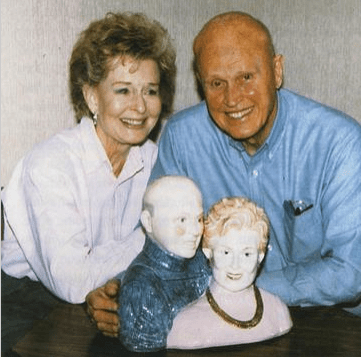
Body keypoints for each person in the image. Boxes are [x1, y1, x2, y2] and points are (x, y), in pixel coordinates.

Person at [87, 10, 361, 337]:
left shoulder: (339, 142)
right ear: (202, 85)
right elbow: (157, 241)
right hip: (215, 325)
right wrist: (122, 288)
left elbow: (350, 273)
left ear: (276, 71)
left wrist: (222, 289)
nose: (233, 99)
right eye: (217, 83)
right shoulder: (183, 138)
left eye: (246, 77)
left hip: (330, 326)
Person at [1, 11, 176, 353]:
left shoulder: (155, 160)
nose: (140, 107)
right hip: (24, 303)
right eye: (123, 90)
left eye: (150, 91)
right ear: (92, 97)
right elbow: (72, 280)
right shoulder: (50, 164)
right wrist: (161, 234)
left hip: (112, 290)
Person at [167, 197, 292, 349]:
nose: (235, 265)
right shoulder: (185, 326)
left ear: (260, 256)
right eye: (225, 252)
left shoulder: (277, 311)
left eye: (246, 254)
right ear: (208, 252)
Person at [117, 175, 210, 352]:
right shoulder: (141, 287)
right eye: (182, 220)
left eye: (198, 219)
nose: (196, 230)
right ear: (148, 222)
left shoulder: (202, 264)